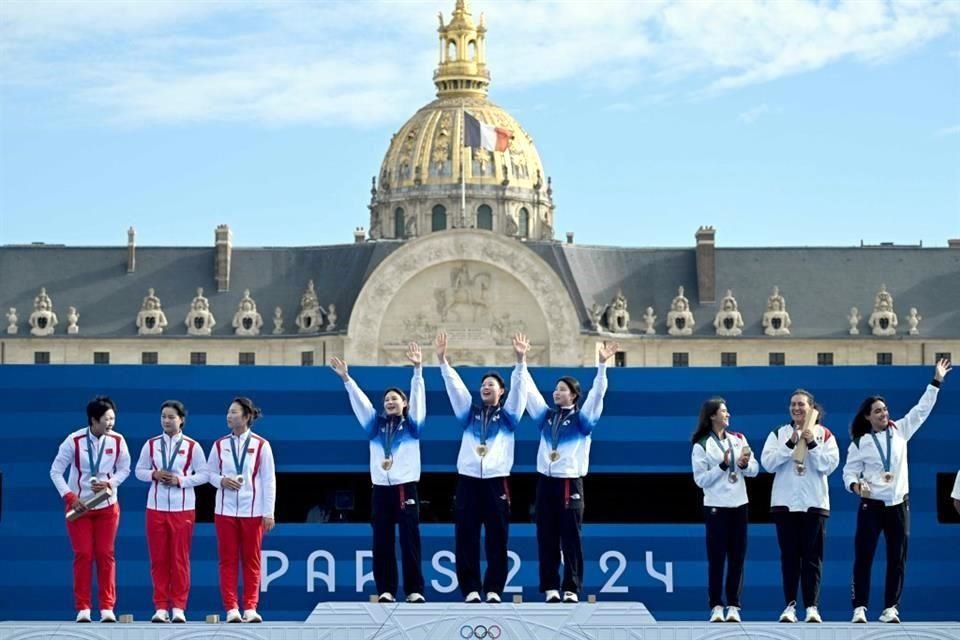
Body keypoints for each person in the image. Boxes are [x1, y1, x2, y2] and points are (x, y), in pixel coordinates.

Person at [842, 358, 951, 624]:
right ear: (867, 416)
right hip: (871, 506)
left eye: (885, 409)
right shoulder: (861, 442)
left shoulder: (901, 430)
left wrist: (936, 380)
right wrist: (857, 486)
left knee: (897, 558)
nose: (883, 413)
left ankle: (890, 607)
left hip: (898, 505)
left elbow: (922, 409)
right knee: (864, 557)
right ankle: (860, 608)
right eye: (877, 411)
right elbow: (848, 472)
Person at [435, 330, 530, 603]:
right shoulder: (469, 413)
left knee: (497, 539)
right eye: (483, 384)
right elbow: (456, 390)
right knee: (466, 537)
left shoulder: (509, 416)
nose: (485, 387)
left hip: (496, 481)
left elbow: (520, 391)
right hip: (467, 481)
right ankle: (471, 589)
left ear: (502, 391)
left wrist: (520, 361)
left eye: (491, 384)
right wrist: (443, 362)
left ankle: (493, 590)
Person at [329, 343, 426, 604]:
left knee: (409, 541)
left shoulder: (413, 425)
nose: (390, 402)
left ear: (404, 404)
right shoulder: (375, 426)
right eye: (386, 400)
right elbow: (360, 403)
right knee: (381, 541)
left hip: (406, 487)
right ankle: (386, 589)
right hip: (381, 489)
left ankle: (414, 590)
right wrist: (347, 379)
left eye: (395, 399)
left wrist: (417, 371)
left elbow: (419, 400)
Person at [523, 341, 619, 603]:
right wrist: (521, 362)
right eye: (555, 389)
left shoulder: (582, 420)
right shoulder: (546, 418)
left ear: (574, 395)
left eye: (562, 390)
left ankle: (571, 588)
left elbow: (597, 396)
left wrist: (602, 366)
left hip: (569, 484)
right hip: (546, 483)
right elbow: (530, 394)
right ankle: (551, 587)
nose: (556, 392)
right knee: (546, 537)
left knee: (571, 538)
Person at [49, 395, 132, 623]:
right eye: (106, 419)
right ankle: (83, 607)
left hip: (107, 505)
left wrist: (110, 483)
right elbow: (55, 471)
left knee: (106, 555)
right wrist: (70, 496)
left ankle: (107, 608)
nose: (111, 423)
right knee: (83, 555)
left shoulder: (117, 440)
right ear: (93, 420)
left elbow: (125, 469)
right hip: (80, 507)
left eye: (113, 418)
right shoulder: (73, 441)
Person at [760, 389, 839, 623]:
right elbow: (768, 463)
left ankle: (812, 607)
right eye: (793, 405)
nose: (796, 408)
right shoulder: (779, 433)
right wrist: (790, 443)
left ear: (811, 408)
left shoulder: (824, 434)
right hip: (785, 505)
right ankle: (790, 606)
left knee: (813, 558)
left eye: (801, 405)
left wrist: (812, 443)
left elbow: (829, 465)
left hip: (814, 504)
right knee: (790, 557)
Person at [134, 400, 208, 623]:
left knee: (179, 559)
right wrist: (153, 475)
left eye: (171, 417)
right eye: (163, 416)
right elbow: (138, 471)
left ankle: (178, 608)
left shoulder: (192, 446)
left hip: (182, 508)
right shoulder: (151, 444)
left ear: (182, 420)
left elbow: (204, 474)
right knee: (158, 560)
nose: (166, 421)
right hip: (155, 508)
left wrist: (181, 480)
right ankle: (160, 608)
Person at [207, 397, 276, 623]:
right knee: (227, 560)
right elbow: (209, 474)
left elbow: (268, 480)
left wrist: (269, 512)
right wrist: (222, 481)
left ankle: (250, 607)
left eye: (234, 412)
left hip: (253, 510)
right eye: (228, 412)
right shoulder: (219, 445)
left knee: (251, 561)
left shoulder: (261, 445)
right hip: (225, 510)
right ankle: (231, 609)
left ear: (246, 417)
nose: (229, 416)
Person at [690, 397, 758, 623]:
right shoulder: (702, 444)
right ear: (712, 416)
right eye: (724, 411)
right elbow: (701, 481)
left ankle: (734, 606)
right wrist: (722, 465)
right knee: (717, 558)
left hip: (739, 505)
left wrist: (744, 465)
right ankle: (716, 605)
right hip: (715, 507)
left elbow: (755, 470)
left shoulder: (739, 439)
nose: (728, 414)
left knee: (737, 558)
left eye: (728, 411)